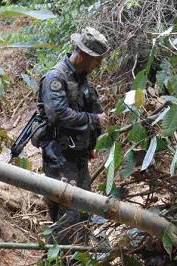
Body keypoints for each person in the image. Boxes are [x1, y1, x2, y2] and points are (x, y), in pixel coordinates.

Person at [36, 27, 109, 247]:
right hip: (59, 156)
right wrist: (94, 120)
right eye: (97, 60)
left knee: (85, 211)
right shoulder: (55, 78)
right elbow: (58, 114)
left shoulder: (82, 79)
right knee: (68, 215)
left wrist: (93, 142)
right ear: (84, 55)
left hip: (78, 156)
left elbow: (93, 110)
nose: (99, 65)